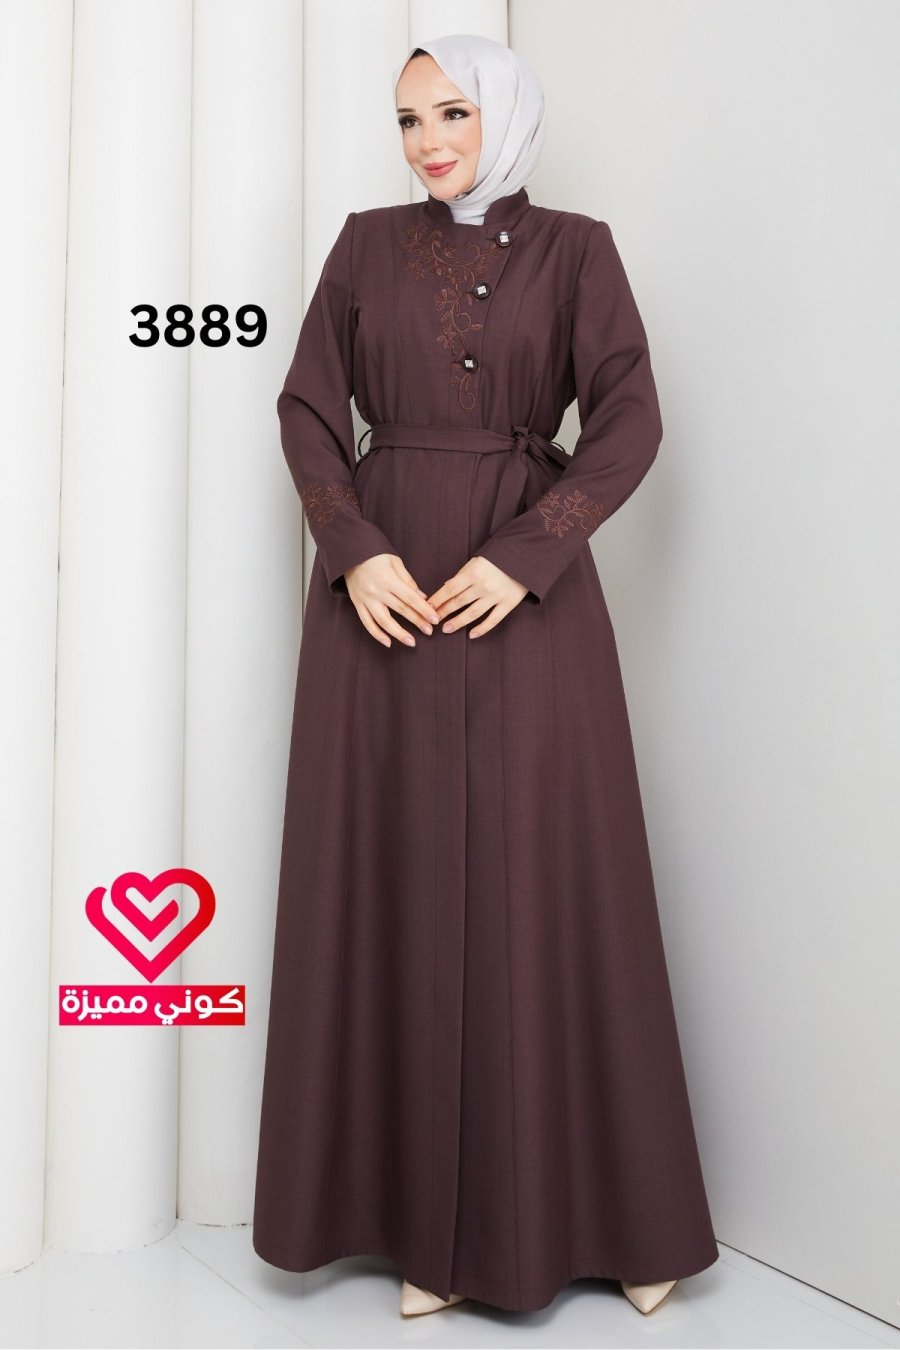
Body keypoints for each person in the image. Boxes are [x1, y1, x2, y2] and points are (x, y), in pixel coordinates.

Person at [252, 32, 719, 1320]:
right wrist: (352, 549)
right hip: (386, 605)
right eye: (409, 119)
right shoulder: (362, 247)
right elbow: (307, 409)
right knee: (395, 880)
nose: (428, 141)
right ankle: (428, 1233)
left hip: (523, 600)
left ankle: (626, 1223)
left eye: (452, 112)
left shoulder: (578, 250)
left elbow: (629, 417)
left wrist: (529, 555)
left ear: (504, 114)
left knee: (551, 882)